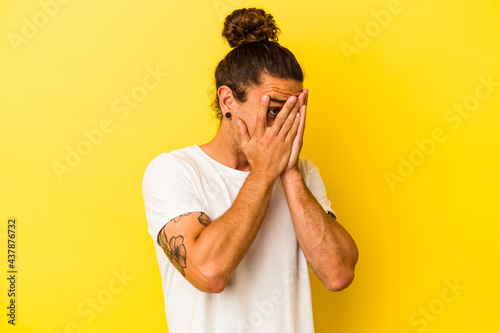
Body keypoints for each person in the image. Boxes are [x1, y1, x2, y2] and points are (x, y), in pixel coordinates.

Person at [142, 7, 358, 333]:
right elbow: (209, 272)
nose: (283, 126)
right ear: (228, 101)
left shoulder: (301, 174)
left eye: (293, 113)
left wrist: (289, 174)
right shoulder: (174, 171)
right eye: (273, 111)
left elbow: (338, 273)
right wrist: (264, 173)